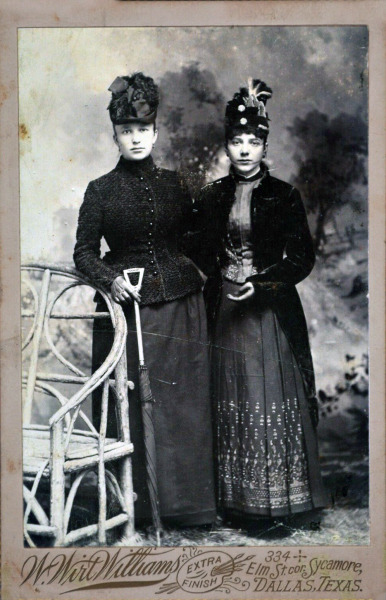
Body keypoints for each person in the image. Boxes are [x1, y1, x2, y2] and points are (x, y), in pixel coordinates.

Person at [74, 72, 216, 527]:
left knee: (181, 405)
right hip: (125, 309)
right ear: (114, 136)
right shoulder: (100, 190)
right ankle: (131, 507)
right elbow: (83, 253)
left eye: (142, 130)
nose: (135, 139)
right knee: (130, 404)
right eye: (126, 131)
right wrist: (109, 280)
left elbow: (198, 240)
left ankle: (185, 508)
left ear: (156, 132)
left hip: (179, 308)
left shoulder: (177, 185)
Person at [192, 79, 327, 525]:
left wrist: (267, 283)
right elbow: (196, 254)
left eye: (253, 140)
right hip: (225, 312)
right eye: (236, 141)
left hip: (269, 313)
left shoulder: (284, 194)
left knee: (265, 397)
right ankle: (233, 502)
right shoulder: (212, 196)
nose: (245, 149)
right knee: (230, 397)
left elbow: (302, 258)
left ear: (265, 144)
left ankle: (275, 503)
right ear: (226, 145)